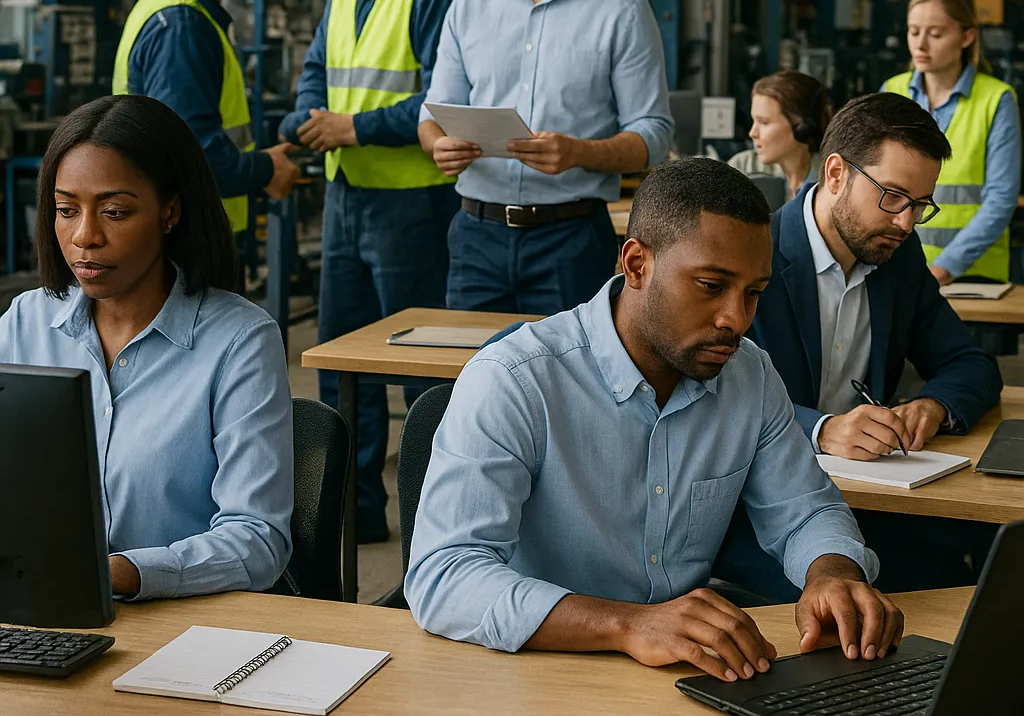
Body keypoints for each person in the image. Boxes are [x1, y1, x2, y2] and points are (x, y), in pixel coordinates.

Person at [405, 159, 903, 677]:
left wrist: (833, 574)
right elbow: (445, 577)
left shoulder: (748, 375)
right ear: (637, 264)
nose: (737, 319)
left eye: (753, 293)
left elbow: (804, 511)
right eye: (711, 285)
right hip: (535, 671)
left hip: (681, 669)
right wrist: (629, 624)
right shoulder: (515, 379)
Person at [0, 95, 293, 600]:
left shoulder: (239, 341)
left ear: (170, 211)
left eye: (114, 211)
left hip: (183, 628)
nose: (85, 236)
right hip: (38, 609)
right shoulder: (26, 323)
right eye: (66, 210)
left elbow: (257, 539)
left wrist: (116, 574)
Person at [716, 93, 1002, 599]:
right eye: (892, 197)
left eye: (920, 205)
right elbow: (711, 400)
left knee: (989, 563)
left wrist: (932, 407)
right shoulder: (752, 253)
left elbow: (970, 362)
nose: (907, 223)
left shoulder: (897, 253)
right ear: (834, 174)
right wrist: (822, 430)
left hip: (869, 501)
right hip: (758, 510)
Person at [278, 0, 478, 544]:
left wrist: (353, 128)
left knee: (422, 375)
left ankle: (439, 527)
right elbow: (313, 74)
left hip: (412, 207)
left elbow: (443, 95)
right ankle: (353, 518)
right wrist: (308, 119)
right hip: (346, 201)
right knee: (340, 366)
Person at [418, 0, 674, 315]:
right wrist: (438, 144)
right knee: (467, 383)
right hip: (476, 238)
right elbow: (432, 112)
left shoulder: (622, 12)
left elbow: (654, 133)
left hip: (571, 240)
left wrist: (579, 152)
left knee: (569, 385)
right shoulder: (469, 7)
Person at [115, 0, 299, 239]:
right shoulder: (182, 25)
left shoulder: (168, 6)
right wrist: (266, 169)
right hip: (189, 246)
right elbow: (191, 154)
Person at [882, 0, 1021, 284]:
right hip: (897, 273)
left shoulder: (996, 100)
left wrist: (944, 268)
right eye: (913, 31)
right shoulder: (892, 92)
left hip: (974, 278)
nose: (920, 44)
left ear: (967, 36)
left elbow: (1000, 199)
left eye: (936, 34)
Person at [729, 71, 834, 200]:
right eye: (754, 121)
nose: (752, 133)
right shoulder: (741, 168)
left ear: (802, 126)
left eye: (764, 122)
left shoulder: (833, 178)